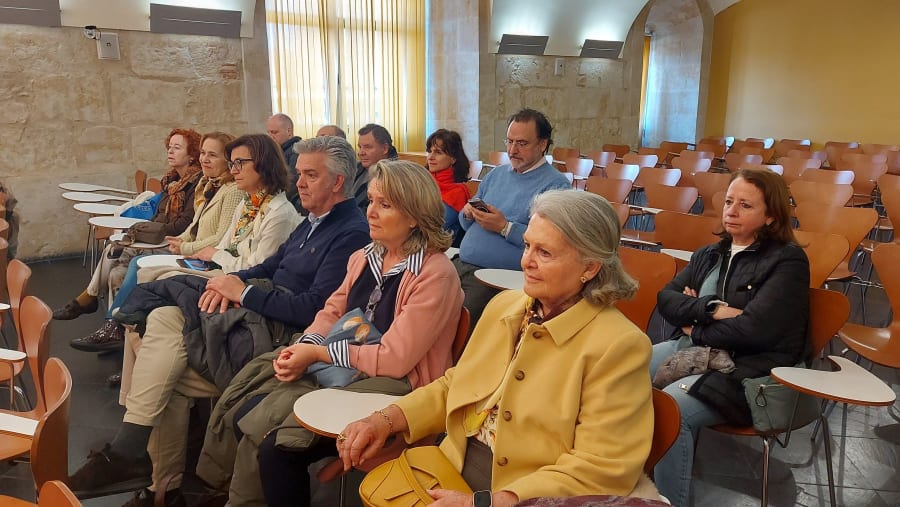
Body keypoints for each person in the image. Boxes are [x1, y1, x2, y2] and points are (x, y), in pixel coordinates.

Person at [66, 136, 371, 505]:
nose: (300, 183)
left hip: (280, 337)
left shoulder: (349, 231)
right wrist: (233, 283)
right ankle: (159, 485)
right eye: (299, 174)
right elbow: (269, 266)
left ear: (338, 183)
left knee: (163, 336)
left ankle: (144, 467)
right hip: (259, 313)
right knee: (164, 329)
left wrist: (241, 291)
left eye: (310, 175)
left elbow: (313, 308)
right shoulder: (313, 221)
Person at [340, 190, 661, 506]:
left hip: (525, 493)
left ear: (590, 268)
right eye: (527, 246)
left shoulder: (620, 346)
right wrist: (385, 419)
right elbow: (456, 385)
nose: (527, 262)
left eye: (544, 253)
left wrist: (485, 502)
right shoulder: (507, 306)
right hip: (450, 462)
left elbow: (601, 467)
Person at [194, 160, 464, 507]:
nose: (371, 212)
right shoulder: (366, 256)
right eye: (370, 201)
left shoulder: (434, 274)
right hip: (345, 365)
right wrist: (306, 345)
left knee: (276, 447)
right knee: (249, 401)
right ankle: (230, 487)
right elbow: (332, 312)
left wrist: (318, 354)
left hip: (396, 389)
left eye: (385, 204)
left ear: (413, 215)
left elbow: (396, 360)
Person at [650, 168, 810, 506]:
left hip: (750, 369)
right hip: (695, 347)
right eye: (728, 202)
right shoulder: (710, 253)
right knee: (620, 369)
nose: (731, 211)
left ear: (770, 216)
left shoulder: (788, 261)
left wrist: (695, 320)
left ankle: (668, 500)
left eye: (745, 205)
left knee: (672, 409)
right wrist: (711, 308)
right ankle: (626, 480)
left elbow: (755, 330)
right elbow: (666, 299)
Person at [52, 128, 204, 321]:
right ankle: (114, 326)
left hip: (174, 244)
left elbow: (181, 225)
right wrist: (147, 230)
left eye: (177, 148)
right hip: (158, 238)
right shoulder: (172, 181)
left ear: (191, 155)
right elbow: (158, 215)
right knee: (116, 269)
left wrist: (145, 231)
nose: (170, 151)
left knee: (116, 248)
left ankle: (92, 302)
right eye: (169, 147)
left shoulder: (196, 184)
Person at [455, 109, 570, 326]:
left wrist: (505, 227)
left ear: (542, 144)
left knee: (457, 320)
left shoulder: (556, 186)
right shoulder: (497, 174)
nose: (512, 150)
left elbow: (552, 243)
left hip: (498, 276)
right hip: (463, 262)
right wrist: (468, 213)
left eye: (522, 143)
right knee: (419, 298)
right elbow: (464, 223)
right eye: (509, 141)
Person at [425, 128, 471, 245]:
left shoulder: (457, 192)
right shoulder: (421, 183)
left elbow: (435, 226)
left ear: (453, 158)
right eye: (429, 151)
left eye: (438, 152)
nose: (430, 157)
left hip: (438, 249)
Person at [352, 123, 398, 212]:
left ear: (385, 149)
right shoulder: (355, 168)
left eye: (367, 147)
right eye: (360, 147)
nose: (361, 153)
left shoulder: (395, 177)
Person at [267, 113, 304, 211]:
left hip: (289, 206)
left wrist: (271, 201)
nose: (270, 137)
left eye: (274, 132)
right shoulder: (277, 151)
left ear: (289, 131)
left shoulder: (296, 151)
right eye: (269, 133)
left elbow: (291, 184)